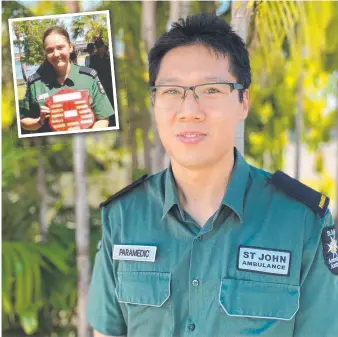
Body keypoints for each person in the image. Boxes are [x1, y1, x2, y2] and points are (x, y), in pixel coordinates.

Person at [86, 13, 338, 337]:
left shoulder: (302, 222)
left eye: (211, 90)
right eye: (172, 91)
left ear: (243, 101)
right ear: (155, 102)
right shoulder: (123, 217)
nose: (190, 110)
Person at [20, 26, 114, 134]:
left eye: (60, 47)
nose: (56, 54)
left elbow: (103, 118)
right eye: (50, 50)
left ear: (70, 47)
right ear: (45, 53)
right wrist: (39, 121)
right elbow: (24, 121)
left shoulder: (89, 78)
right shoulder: (35, 83)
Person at [89, 37, 116, 127]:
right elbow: (92, 73)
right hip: (100, 87)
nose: (101, 49)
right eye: (98, 47)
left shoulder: (109, 57)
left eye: (102, 47)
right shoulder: (93, 59)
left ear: (104, 46)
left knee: (113, 105)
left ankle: (114, 122)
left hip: (110, 86)